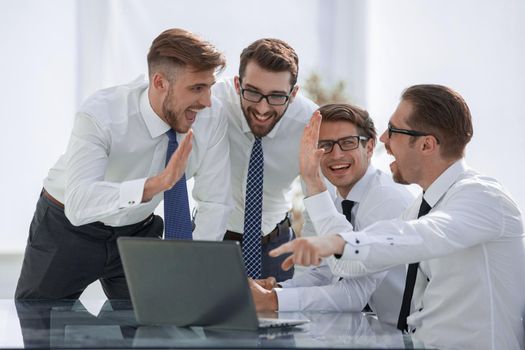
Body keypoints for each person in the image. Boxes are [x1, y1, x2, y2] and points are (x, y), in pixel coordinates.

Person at [269, 84, 525, 349]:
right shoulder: (421, 207)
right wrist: (313, 182)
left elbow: (425, 234)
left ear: (426, 144)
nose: (382, 139)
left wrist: (336, 243)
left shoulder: (483, 196)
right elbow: (351, 265)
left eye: (393, 130)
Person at [15, 28, 232, 300]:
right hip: (67, 230)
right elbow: (79, 205)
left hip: (137, 229)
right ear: (160, 83)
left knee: (159, 326)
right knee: (37, 325)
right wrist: (156, 185)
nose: (207, 101)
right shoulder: (103, 114)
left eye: (210, 87)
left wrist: (193, 269)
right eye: (196, 88)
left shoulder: (211, 117)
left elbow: (215, 202)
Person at [250, 104, 413, 326]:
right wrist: (275, 289)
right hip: (375, 330)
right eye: (325, 145)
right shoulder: (336, 200)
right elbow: (325, 273)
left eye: (348, 143)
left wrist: (273, 300)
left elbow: (354, 293)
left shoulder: (386, 199)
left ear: (369, 147)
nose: (336, 155)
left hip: (410, 337)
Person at [213, 38, 318, 281]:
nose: (262, 108)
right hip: (213, 239)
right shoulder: (211, 103)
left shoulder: (310, 123)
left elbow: (317, 199)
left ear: (293, 94)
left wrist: (307, 270)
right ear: (238, 84)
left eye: (276, 97)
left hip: (276, 245)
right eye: (253, 92)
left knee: (277, 317)